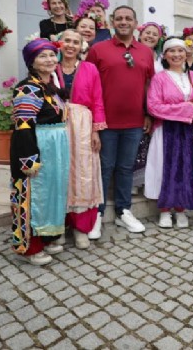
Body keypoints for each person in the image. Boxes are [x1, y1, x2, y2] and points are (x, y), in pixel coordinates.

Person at [86, 5, 155, 238]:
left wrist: (147, 114)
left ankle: (124, 211)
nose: (124, 22)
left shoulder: (146, 52)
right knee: (104, 168)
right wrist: (94, 121)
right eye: (119, 18)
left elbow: (149, 85)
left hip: (135, 122)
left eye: (128, 18)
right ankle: (97, 212)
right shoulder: (98, 50)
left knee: (125, 168)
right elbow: (89, 85)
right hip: (105, 122)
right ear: (112, 23)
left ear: (136, 23)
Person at [9, 38, 69, 266]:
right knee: (36, 196)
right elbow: (23, 125)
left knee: (52, 193)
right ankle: (30, 247)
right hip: (37, 146)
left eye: (53, 55)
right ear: (31, 62)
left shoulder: (48, 86)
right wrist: (28, 158)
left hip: (55, 150)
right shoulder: (28, 87)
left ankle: (47, 238)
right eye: (43, 56)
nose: (50, 59)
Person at [56, 29, 106, 249]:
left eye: (76, 42)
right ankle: (57, 227)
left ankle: (81, 228)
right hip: (55, 126)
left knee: (83, 174)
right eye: (67, 40)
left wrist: (96, 130)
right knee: (59, 174)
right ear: (59, 43)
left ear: (81, 47)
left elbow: (97, 100)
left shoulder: (90, 68)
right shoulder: (49, 67)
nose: (70, 45)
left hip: (83, 125)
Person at [145, 37, 193, 229]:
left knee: (185, 168)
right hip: (166, 129)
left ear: (186, 54)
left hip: (187, 130)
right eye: (172, 51)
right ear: (165, 55)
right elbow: (153, 107)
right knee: (165, 168)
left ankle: (181, 208)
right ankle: (165, 210)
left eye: (180, 51)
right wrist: (185, 109)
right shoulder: (159, 78)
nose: (176, 55)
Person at [133, 21, 168, 176]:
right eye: (148, 32)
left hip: (156, 103)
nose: (150, 36)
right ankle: (133, 178)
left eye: (155, 34)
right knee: (136, 141)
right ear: (140, 34)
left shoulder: (161, 59)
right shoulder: (132, 52)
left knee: (150, 140)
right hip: (136, 100)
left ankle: (148, 177)